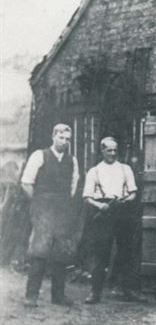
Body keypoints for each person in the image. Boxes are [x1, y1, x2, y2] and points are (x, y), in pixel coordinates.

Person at [21, 123, 80, 307]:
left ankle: (58, 296)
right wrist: (39, 203)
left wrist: (64, 205)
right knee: (39, 250)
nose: (64, 142)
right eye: (61, 137)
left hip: (63, 210)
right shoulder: (40, 156)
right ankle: (31, 296)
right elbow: (26, 183)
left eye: (67, 139)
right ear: (53, 136)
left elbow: (73, 186)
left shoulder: (72, 161)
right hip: (43, 210)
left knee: (61, 252)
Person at [82, 137, 139, 304]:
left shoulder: (125, 169)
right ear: (102, 151)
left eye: (115, 150)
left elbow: (133, 192)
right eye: (109, 150)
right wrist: (100, 206)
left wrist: (126, 200)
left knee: (126, 251)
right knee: (101, 253)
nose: (113, 153)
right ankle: (95, 292)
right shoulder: (95, 171)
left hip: (122, 211)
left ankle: (126, 289)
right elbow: (86, 197)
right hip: (103, 213)